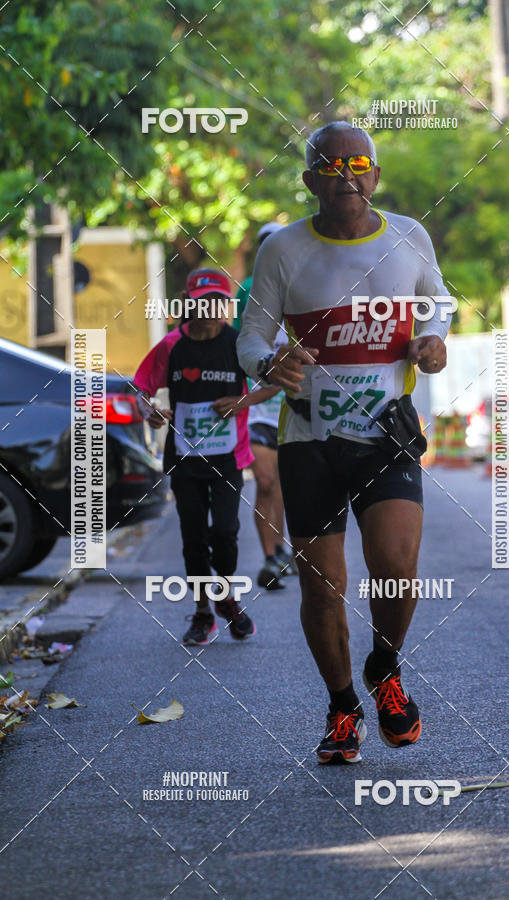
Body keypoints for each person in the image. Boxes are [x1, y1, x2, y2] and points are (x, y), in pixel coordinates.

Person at [237, 122, 452, 764]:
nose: (346, 175)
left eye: (359, 164)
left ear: (376, 175)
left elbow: (439, 301)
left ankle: (384, 667)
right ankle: (341, 707)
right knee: (322, 586)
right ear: (311, 181)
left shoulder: (409, 237)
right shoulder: (283, 251)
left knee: (396, 566)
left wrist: (433, 339)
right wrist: (268, 363)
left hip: (386, 432)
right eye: (331, 166)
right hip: (309, 439)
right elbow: (251, 337)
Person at [134, 268, 262, 646]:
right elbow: (141, 388)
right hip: (185, 458)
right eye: (203, 302)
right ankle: (204, 612)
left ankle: (227, 594)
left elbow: (273, 384)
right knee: (192, 536)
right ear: (188, 304)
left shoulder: (239, 344)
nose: (210, 309)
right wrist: (150, 411)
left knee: (225, 531)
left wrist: (241, 401)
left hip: (227, 457)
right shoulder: (172, 345)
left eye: (218, 302)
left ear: (227, 305)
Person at [236, 222, 298, 590]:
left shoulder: (301, 286)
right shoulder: (247, 289)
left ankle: (283, 549)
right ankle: (270, 557)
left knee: (286, 484)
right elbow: (235, 342)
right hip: (257, 406)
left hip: (293, 405)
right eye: (264, 244)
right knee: (265, 480)